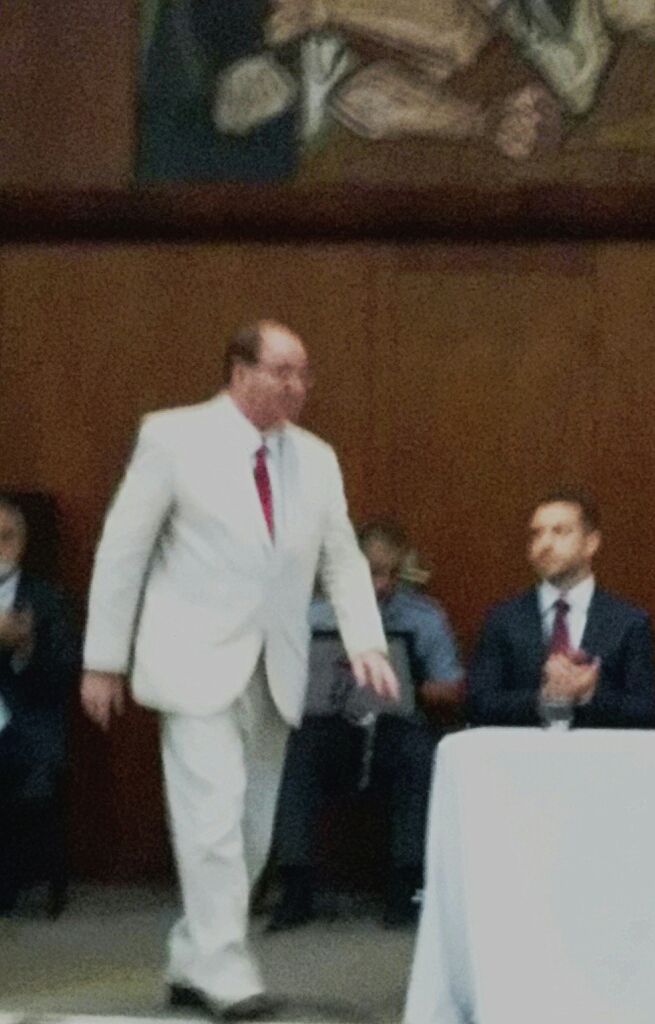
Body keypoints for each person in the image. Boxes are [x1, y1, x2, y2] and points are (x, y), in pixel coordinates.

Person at [80, 321, 397, 1021]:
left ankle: (193, 956)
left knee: (251, 828)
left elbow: (341, 557)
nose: (297, 386)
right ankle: (226, 969)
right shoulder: (173, 437)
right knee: (211, 821)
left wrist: (366, 642)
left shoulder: (316, 458)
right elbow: (123, 550)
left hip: (274, 665)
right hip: (191, 661)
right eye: (282, 371)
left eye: (304, 374)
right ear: (239, 370)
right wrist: (103, 659)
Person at [270, 520, 463, 931]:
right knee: (297, 751)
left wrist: (413, 683)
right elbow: (282, 679)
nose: (382, 584)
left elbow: (451, 687)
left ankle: (407, 885)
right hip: (331, 726)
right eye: (373, 573)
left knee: (420, 755)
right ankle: (294, 885)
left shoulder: (423, 617)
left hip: (396, 727)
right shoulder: (313, 616)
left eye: (392, 573)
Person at [466, 489, 655, 728]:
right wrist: (544, 699)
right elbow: (477, 704)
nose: (544, 544)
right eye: (536, 534)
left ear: (591, 543)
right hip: (521, 750)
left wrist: (589, 695)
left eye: (560, 532)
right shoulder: (503, 619)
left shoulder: (628, 622)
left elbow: (647, 710)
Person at [0, 496, 79, 915]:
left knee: (22, 766)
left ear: (22, 543)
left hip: (25, 721)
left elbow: (63, 675)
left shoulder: (47, 599)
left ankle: (13, 881)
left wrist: (25, 647)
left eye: (6, 537)